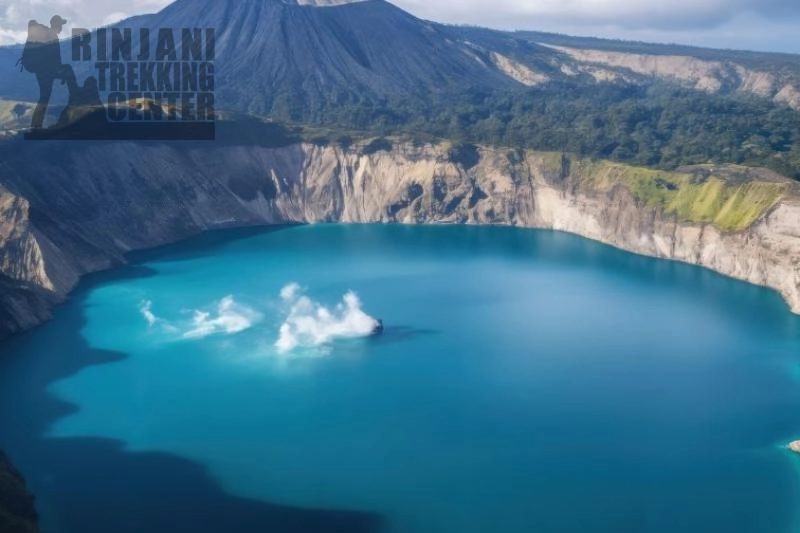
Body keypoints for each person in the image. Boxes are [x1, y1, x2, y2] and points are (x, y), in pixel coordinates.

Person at [25, 15, 73, 130]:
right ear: (56, 24)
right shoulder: (52, 36)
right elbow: (54, 58)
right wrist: (60, 71)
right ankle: (77, 104)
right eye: (61, 24)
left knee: (44, 97)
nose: (62, 27)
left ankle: (36, 125)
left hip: (42, 69)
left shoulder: (49, 35)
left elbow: (53, 58)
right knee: (45, 96)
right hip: (47, 70)